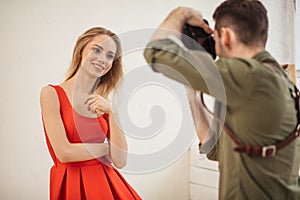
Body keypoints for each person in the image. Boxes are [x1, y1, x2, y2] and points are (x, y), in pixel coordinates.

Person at [143, 0, 300, 199]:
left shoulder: (248, 76)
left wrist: (180, 13)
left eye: (214, 39)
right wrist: (192, 94)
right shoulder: (278, 78)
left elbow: (156, 52)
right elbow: (216, 150)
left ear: (225, 36)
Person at [40, 27, 141, 200]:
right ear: (81, 51)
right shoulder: (51, 94)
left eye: (110, 55)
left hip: (109, 185)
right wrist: (105, 149)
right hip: (69, 183)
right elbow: (64, 153)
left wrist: (113, 112)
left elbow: (120, 160)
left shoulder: (103, 104)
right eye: (96, 50)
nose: (103, 59)